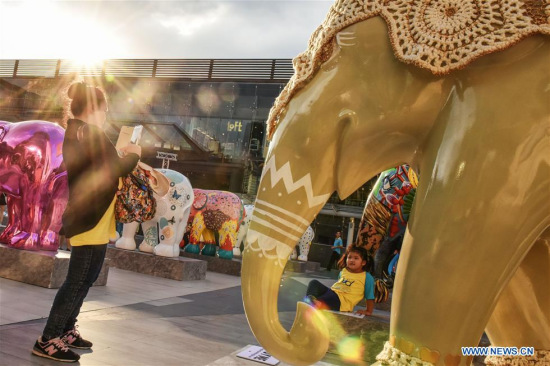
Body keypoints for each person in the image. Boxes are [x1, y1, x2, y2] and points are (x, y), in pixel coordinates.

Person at [32, 81, 141, 363]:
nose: (106, 114)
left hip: (95, 216)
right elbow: (115, 167)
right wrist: (134, 154)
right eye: (104, 109)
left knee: (86, 279)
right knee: (77, 281)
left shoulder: (79, 131)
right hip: (89, 216)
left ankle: (66, 330)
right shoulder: (89, 132)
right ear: (94, 109)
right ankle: (48, 339)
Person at [306, 245, 375, 315]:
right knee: (314, 283)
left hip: (341, 303)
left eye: (356, 258)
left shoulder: (367, 277)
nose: (351, 260)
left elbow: (369, 296)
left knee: (329, 298)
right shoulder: (344, 271)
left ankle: (315, 303)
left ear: (363, 262)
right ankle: (311, 300)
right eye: (349, 257)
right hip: (332, 293)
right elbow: (339, 285)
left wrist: (368, 311)